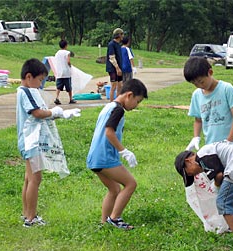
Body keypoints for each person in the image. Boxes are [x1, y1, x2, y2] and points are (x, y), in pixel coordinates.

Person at [17, 58, 80, 227]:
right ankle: (31, 219)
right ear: (29, 77)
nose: (40, 84)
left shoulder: (24, 91)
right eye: (39, 80)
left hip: (29, 141)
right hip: (32, 142)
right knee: (35, 180)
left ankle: (26, 214)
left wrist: (57, 114)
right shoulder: (27, 92)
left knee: (29, 179)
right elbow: (37, 113)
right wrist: (55, 112)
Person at [86, 78, 148, 230]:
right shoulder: (118, 109)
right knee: (130, 184)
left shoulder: (109, 106)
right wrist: (124, 151)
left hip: (94, 158)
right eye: (137, 101)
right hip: (105, 157)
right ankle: (115, 218)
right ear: (129, 95)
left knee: (114, 189)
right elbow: (109, 132)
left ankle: (104, 222)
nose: (136, 105)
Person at [174, 141, 233, 238]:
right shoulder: (208, 151)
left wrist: (216, 186)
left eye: (189, 173)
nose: (194, 175)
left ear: (188, 161)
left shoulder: (201, 158)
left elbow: (219, 175)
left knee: (223, 203)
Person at [184, 56, 233, 151]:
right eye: (195, 84)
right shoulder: (197, 95)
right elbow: (198, 120)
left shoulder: (226, 89)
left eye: (201, 82)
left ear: (210, 73)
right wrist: (196, 137)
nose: (200, 86)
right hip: (211, 145)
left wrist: (228, 142)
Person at [54, 39, 76, 105]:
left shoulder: (57, 53)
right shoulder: (67, 53)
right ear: (66, 45)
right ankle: (71, 99)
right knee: (69, 87)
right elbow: (68, 61)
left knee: (58, 87)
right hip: (66, 73)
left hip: (59, 73)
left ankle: (57, 98)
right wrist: (70, 66)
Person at [106, 28, 124, 101]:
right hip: (113, 68)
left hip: (119, 67)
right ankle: (111, 103)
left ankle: (117, 101)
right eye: (122, 34)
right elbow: (112, 57)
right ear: (119, 35)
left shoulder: (118, 45)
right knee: (114, 86)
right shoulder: (111, 44)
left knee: (120, 85)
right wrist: (117, 68)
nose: (123, 36)